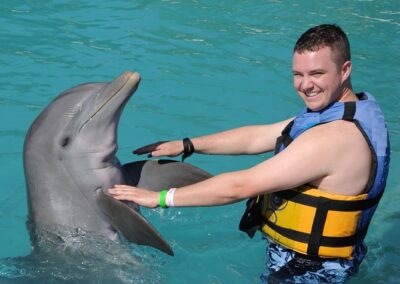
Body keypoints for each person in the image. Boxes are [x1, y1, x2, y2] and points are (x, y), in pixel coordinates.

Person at [108, 24, 390, 283]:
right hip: (328, 259)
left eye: (317, 74)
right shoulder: (351, 111)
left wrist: (157, 198)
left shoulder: (333, 138)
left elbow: (239, 186)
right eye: (298, 74)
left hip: (308, 272)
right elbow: (259, 136)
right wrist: (188, 144)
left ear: (345, 70)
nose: (305, 85)